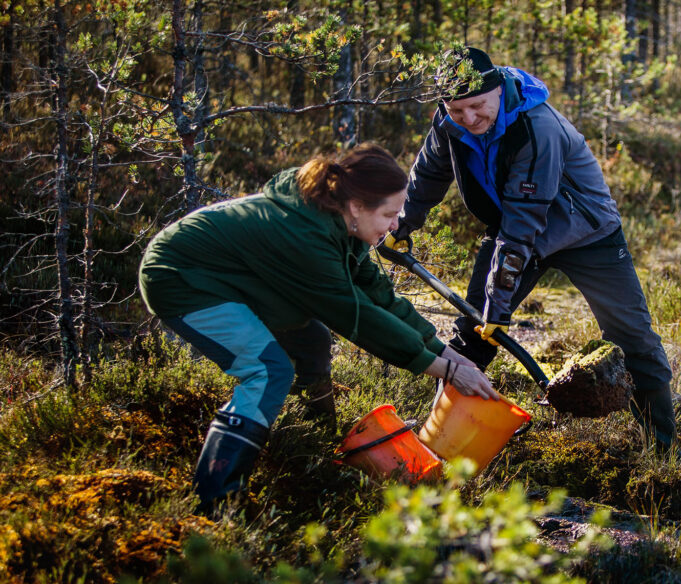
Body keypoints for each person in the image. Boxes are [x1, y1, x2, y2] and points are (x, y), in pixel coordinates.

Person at [139, 143, 498, 512]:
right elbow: (359, 318)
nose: (395, 225)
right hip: (182, 279)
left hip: (234, 279)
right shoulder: (306, 237)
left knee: (310, 340)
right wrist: (446, 371)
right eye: (389, 214)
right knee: (266, 370)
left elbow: (380, 297)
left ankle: (315, 449)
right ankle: (214, 500)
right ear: (357, 206)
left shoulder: (341, 223)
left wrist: (448, 353)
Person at [387, 48, 676, 450]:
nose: (469, 120)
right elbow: (428, 175)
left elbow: (524, 226)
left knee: (633, 337)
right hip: (512, 228)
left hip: (586, 231)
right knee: (474, 331)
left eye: (476, 106)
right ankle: (440, 440)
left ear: (498, 93)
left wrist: (499, 307)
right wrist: (401, 224)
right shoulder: (449, 121)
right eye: (457, 111)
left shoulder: (536, 127)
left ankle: (661, 445)